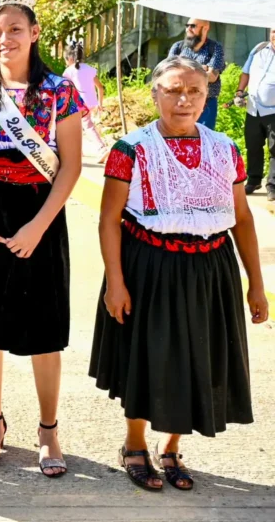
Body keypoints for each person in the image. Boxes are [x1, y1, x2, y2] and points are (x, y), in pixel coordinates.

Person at [90, 56, 268, 492]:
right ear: (156, 95)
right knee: (146, 356)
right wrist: (116, 282)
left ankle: (171, 447)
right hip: (149, 265)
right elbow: (109, 219)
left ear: (207, 97)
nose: (183, 100)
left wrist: (256, 285)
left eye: (194, 91)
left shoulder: (225, 148)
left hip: (210, 267)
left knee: (196, 356)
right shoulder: (131, 149)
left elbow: (242, 218)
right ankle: (134, 444)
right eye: (172, 91)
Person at [0, 0, 83, 478]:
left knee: (44, 328)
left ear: (34, 33)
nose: (4, 39)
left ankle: (49, 429)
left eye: (14, 29)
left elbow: (70, 167)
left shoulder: (59, 91)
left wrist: (38, 225)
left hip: (39, 213)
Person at [230, 27, 275, 201]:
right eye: (273, 31)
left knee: (274, 149)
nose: (274, 35)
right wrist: (239, 92)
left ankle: (272, 186)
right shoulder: (258, 49)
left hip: (273, 111)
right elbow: (246, 73)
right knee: (253, 146)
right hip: (253, 109)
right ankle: (254, 180)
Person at [168, 18, 225, 129]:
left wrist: (183, 70)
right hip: (180, 101)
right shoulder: (178, 47)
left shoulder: (215, 48)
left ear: (205, 28)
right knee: (179, 133)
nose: (188, 29)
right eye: (187, 25)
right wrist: (201, 69)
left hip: (206, 104)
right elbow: (170, 73)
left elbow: (212, 77)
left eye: (193, 26)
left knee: (203, 136)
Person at [62, 40, 108, 160]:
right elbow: (100, 87)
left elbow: (65, 89)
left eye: (65, 60)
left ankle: (101, 149)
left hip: (79, 104)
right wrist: (100, 103)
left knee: (85, 126)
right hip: (91, 103)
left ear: (69, 58)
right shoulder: (89, 69)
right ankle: (79, 151)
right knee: (81, 125)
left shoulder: (69, 71)